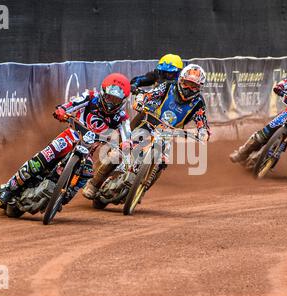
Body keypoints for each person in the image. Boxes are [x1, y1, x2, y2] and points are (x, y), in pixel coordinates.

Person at [0, 73, 132, 209]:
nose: (110, 103)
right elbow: (71, 104)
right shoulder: (90, 97)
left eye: (115, 100)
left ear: (122, 101)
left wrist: (127, 143)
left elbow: (127, 134)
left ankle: (63, 197)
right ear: (103, 92)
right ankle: (9, 188)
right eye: (109, 97)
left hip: (88, 149)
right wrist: (62, 110)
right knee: (44, 156)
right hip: (71, 135)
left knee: (86, 173)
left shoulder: (122, 117)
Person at [81, 64, 210, 200]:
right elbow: (149, 95)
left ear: (199, 87)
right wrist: (141, 101)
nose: (189, 89)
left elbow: (202, 121)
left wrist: (203, 133)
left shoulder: (198, 102)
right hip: (149, 125)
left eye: (194, 86)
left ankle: (140, 190)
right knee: (120, 152)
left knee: (162, 162)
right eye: (187, 84)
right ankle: (94, 184)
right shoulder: (167, 86)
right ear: (181, 81)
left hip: (168, 135)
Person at [129, 54, 184, 130]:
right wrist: (134, 85)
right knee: (130, 129)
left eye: (170, 74)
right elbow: (139, 79)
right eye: (163, 73)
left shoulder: (184, 85)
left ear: (179, 73)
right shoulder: (156, 76)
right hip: (151, 111)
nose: (166, 76)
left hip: (171, 115)